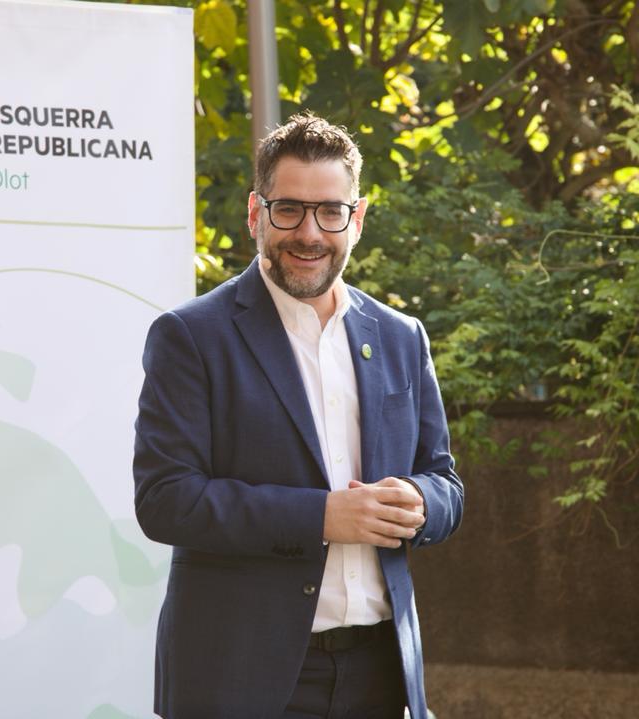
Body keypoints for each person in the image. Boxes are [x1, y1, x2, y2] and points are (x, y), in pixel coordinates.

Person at [133, 112, 463, 719]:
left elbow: (446, 483)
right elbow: (165, 499)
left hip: (381, 675)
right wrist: (324, 516)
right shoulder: (191, 336)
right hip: (240, 677)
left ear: (356, 219)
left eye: (330, 212)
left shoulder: (401, 336)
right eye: (288, 210)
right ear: (255, 213)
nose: (309, 233)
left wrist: (420, 502)